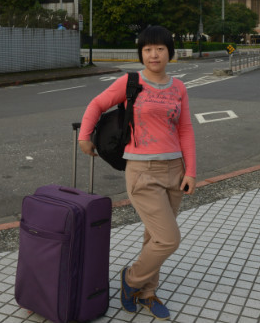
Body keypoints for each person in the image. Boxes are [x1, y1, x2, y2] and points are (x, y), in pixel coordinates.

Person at [78, 25, 196, 320]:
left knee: (154, 237)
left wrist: (190, 171)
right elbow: (97, 104)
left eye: (159, 48)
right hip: (142, 170)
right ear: (140, 53)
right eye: (147, 49)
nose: (153, 54)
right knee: (169, 239)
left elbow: (185, 129)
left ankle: (147, 293)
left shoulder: (178, 87)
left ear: (170, 51)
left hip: (175, 170)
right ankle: (130, 279)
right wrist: (85, 135)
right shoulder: (131, 82)